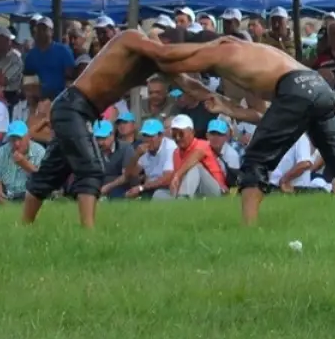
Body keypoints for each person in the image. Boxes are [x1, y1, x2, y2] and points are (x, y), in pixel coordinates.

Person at [144, 38, 335, 225]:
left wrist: (155, 53)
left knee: (254, 160)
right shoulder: (257, 62)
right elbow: (262, 115)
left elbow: (177, 61)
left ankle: (249, 227)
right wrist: (228, 107)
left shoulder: (225, 49)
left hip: (296, 88)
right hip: (319, 89)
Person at [20, 30, 207, 228]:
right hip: (73, 105)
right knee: (91, 169)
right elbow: (163, 52)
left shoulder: (156, 64)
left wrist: (215, 98)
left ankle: (24, 226)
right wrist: (203, 48)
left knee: (51, 171)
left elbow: (187, 82)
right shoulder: (130, 38)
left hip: (83, 111)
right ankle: (88, 233)